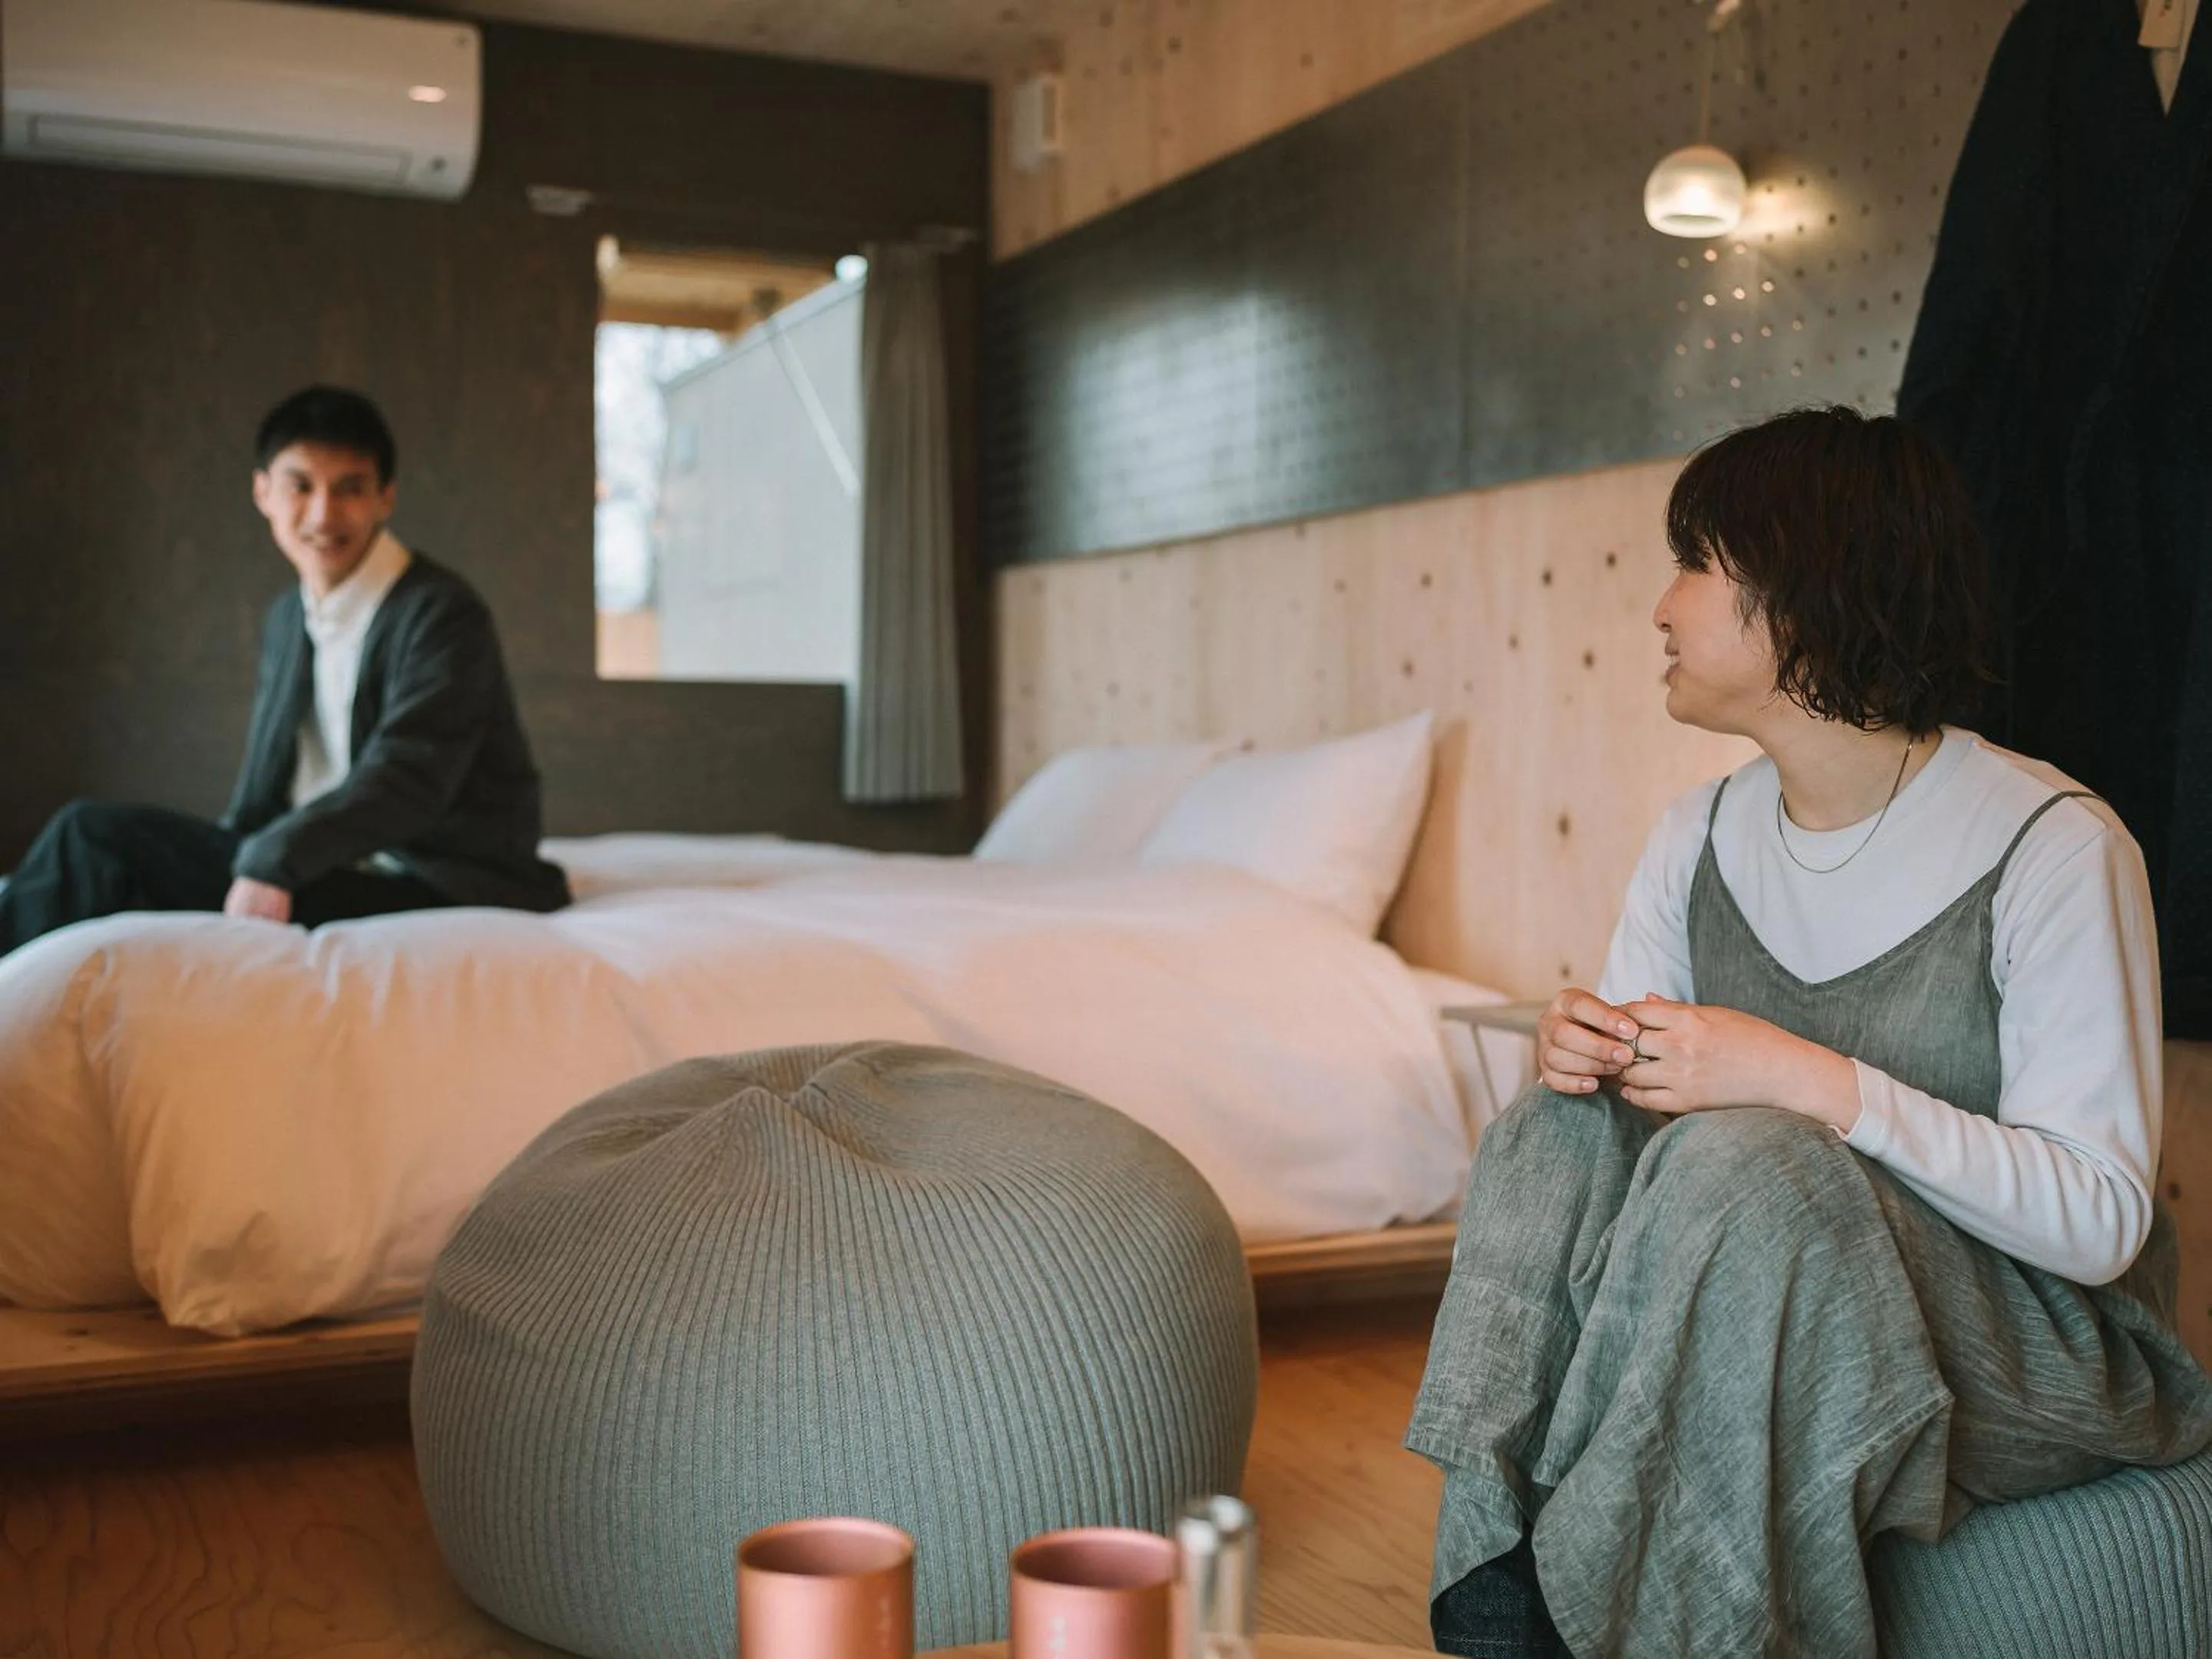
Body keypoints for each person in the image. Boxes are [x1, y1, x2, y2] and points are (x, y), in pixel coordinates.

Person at [1404, 406, 2212, 1658]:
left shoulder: (2053, 847)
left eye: (1698, 564)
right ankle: (1503, 1589)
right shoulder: (1699, 835)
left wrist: (1815, 1082)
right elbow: (1628, 1146)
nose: (1661, 608)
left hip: (2043, 1356)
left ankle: (1599, 1610)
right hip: (1766, 1304)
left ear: (1811, 594)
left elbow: (2101, 1221)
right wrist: (1589, 1053)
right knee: (1552, 1132)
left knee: (1752, 1154)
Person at [0, 386, 569, 957]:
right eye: (301, 486)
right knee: (104, 868)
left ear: (386, 499)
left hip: (433, 879)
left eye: (350, 489)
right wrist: (228, 851)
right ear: (262, 492)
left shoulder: (441, 612)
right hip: (329, 861)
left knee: (91, 839)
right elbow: (267, 781)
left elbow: (410, 778)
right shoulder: (287, 617)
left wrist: (272, 858)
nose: (323, 514)